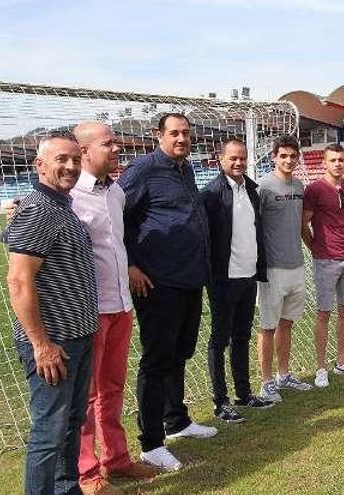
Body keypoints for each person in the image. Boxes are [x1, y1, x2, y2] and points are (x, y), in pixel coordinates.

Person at [118, 113, 217, 472]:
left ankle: (177, 421)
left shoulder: (185, 169)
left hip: (190, 278)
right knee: (157, 360)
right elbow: (119, 218)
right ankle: (151, 443)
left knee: (180, 354)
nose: (181, 139)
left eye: (186, 133)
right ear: (158, 135)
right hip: (157, 282)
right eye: (174, 133)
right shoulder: (143, 170)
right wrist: (130, 264)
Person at [3, 131, 98, 495]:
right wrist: (41, 344)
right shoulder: (39, 209)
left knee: (72, 421)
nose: (71, 166)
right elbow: (19, 281)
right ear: (39, 165)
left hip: (78, 336)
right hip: (54, 343)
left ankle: (66, 488)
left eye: (75, 159)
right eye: (61, 159)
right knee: (49, 431)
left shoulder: (60, 206)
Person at [70, 123, 158, 495]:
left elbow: (117, 244)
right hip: (90, 311)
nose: (117, 148)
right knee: (87, 396)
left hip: (121, 305)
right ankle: (87, 473)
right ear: (85, 151)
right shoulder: (69, 196)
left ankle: (117, 459)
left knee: (112, 387)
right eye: (108, 143)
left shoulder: (117, 192)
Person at [201, 138, 275, 423]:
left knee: (242, 336)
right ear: (220, 160)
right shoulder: (211, 194)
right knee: (219, 340)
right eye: (232, 158)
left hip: (248, 275)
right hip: (223, 279)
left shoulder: (252, 191)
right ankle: (221, 402)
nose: (238, 163)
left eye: (242, 158)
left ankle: (244, 394)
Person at [302, 143, 344, 388]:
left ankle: (341, 361)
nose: (337, 164)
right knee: (323, 313)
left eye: (341, 159)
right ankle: (320, 367)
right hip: (325, 260)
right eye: (333, 160)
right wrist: (316, 249)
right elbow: (303, 224)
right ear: (324, 163)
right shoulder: (314, 189)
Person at [256, 135, 314, 403]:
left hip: (296, 265)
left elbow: (302, 226)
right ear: (274, 158)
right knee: (268, 326)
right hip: (272, 269)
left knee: (287, 324)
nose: (288, 160)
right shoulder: (263, 187)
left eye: (293, 156)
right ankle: (266, 382)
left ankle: (284, 375)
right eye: (283, 156)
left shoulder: (300, 185)